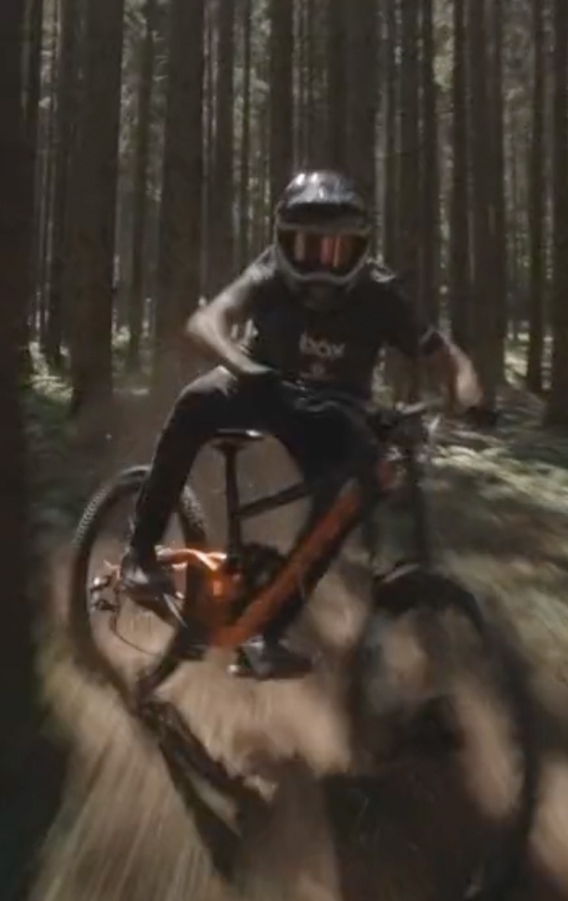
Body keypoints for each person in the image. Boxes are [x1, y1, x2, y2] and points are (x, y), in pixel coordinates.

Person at [123, 169, 483, 680]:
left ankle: (267, 631)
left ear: (360, 250)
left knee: (348, 497)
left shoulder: (380, 293)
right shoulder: (269, 273)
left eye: (336, 250)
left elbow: (446, 357)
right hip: (261, 387)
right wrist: (242, 366)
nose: (321, 264)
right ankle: (140, 552)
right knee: (195, 402)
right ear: (283, 243)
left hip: (333, 411)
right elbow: (207, 321)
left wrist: (468, 394)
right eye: (307, 247)